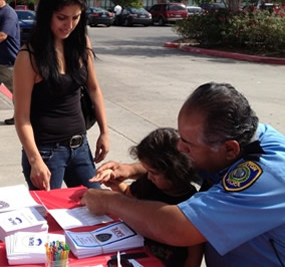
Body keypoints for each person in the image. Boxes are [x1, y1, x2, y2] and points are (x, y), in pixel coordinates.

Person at [81, 82, 285, 267]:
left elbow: (177, 227)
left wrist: (110, 202)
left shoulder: (267, 176)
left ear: (230, 149)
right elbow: (190, 163)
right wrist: (132, 169)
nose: (179, 147)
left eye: (188, 144)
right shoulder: (243, 137)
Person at [13, 0, 109, 191]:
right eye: (61, 17)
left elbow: (93, 88)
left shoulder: (81, 44)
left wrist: (104, 131)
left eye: (76, 17)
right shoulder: (29, 56)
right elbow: (22, 117)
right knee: (49, 219)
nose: (69, 25)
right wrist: (34, 160)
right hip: (46, 153)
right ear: (47, 13)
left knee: (98, 208)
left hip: (80, 146)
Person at [93, 127, 203, 267]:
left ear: (174, 171)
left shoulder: (192, 203)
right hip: (137, 258)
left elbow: (195, 251)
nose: (148, 175)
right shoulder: (148, 184)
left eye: (153, 172)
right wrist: (116, 185)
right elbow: (129, 197)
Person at [0, 0, 20, 125]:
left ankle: (21, 117)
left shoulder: (8, 13)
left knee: (17, 92)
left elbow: (2, 35)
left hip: (9, 62)